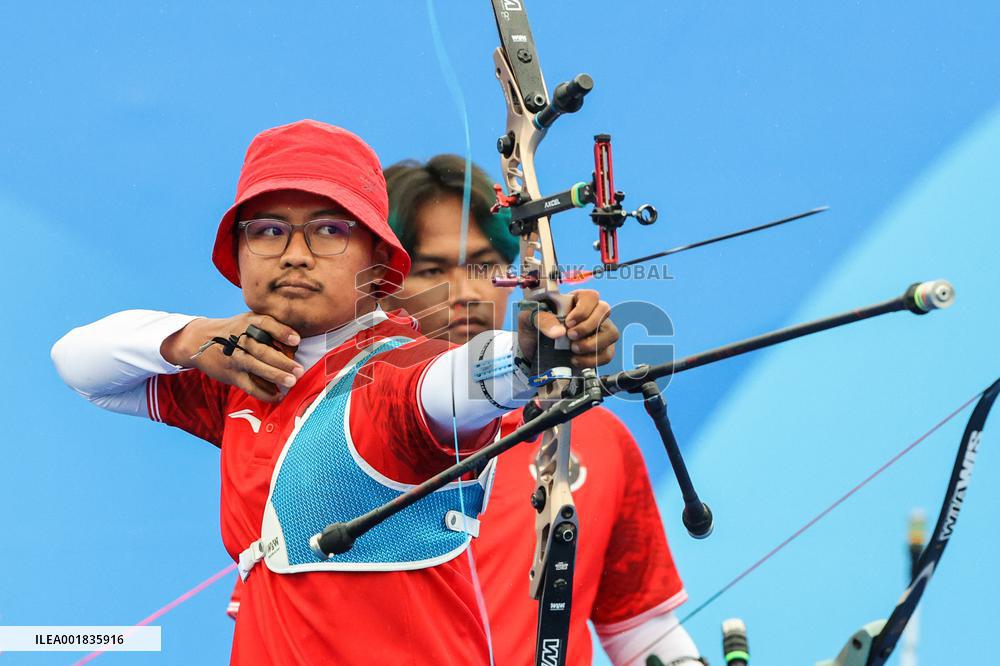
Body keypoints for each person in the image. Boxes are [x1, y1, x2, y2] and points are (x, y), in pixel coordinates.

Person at [50, 120, 619, 665]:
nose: (295, 253)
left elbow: (447, 385)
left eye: (329, 230)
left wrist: (531, 354)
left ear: (378, 259)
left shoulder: (394, 372)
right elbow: (77, 362)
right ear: (238, 253)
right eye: (268, 230)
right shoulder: (242, 373)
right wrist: (192, 339)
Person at [230, 154, 702, 665]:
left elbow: (640, 629)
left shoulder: (595, 437)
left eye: (485, 266)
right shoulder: (324, 436)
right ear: (380, 281)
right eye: (432, 270)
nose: (466, 293)